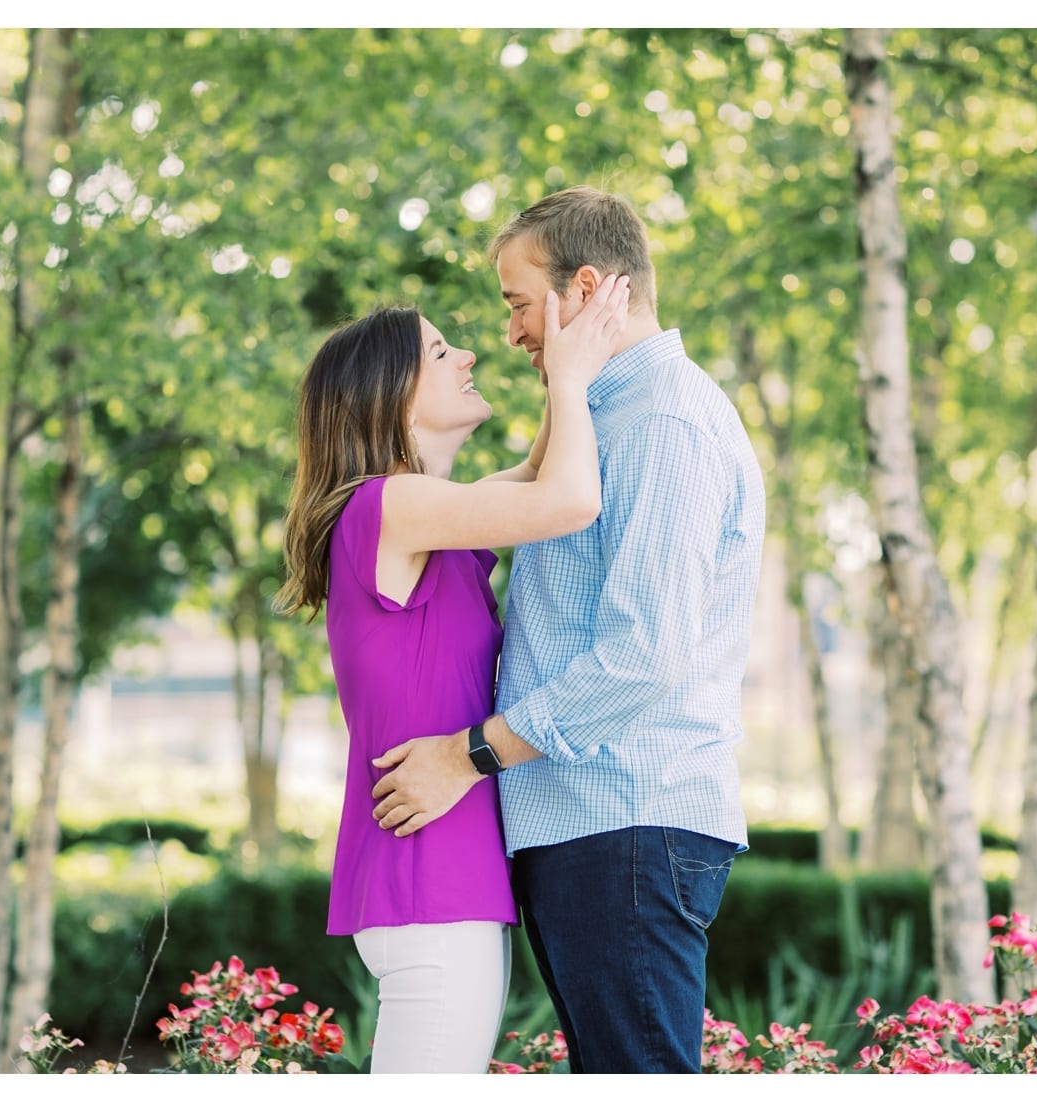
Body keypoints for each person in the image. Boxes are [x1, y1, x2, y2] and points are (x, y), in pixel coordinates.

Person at [370, 186, 766, 1073]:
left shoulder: (662, 422)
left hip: (626, 818)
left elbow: (644, 656)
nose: (509, 332)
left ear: (584, 289)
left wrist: (469, 754)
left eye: (518, 304)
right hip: (591, 822)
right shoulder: (601, 416)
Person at [275, 274, 631, 1073]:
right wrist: (569, 378)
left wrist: (570, 361)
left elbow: (541, 475)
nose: (469, 351)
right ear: (391, 395)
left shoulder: (425, 519)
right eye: (440, 350)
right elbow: (569, 501)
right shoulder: (389, 506)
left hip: (438, 880)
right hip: (429, 881)